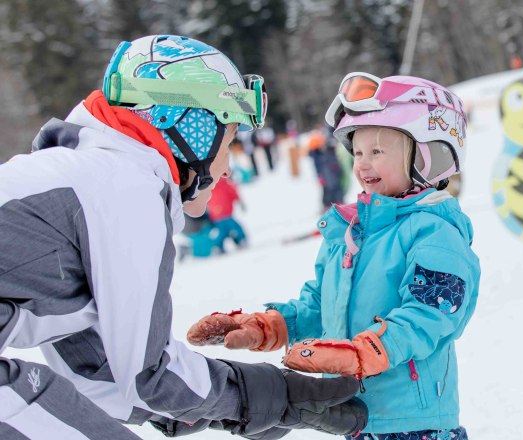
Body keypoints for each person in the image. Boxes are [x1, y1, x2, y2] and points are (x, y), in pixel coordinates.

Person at [0, 35, 367, 440]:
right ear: (191, 129)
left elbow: (93, 371)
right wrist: (270, 395)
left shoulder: (90, 179)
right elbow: (151, 374)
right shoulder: (123, 188)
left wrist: (237, 408)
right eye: (228, 142)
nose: (227, 169)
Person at [186, 73, 480, 439]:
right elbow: (320, 305)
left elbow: (430, 315)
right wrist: (272, 326)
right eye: (357, 152)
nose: (363, 164)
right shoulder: (350, 233)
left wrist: (364, 353)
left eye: (377, 151)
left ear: (428, 154)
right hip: (354, 420)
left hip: (414, 425)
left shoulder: (433, 233)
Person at [208, 177, 248, 252]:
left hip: (216, 215)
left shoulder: (208, 186)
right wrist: (240, 202)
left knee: (222, 231)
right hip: (226, 213)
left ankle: (218, 246)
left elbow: (205, 200)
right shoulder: (225, 183)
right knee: (234, 228)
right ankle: (241, 239)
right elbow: (234, 193)